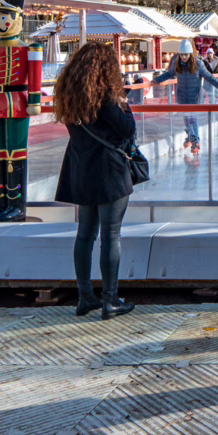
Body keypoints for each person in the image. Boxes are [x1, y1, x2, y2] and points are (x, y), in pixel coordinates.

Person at [53, 42, 137, 319]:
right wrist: (124, 101)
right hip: (109, 171)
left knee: (85, 235)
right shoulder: (105, 96)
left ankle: (85, 295)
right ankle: (110, 299)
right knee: (110, 235)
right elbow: (127, 129)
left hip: (80, 168)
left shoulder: (71, 94)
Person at [154, 40, 218, 160]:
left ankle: (195, 142)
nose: (183, 57)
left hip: (195, 98)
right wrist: (157, 80)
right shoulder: (176, 64)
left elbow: (209, 77)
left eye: (185, 55)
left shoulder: (198, 64)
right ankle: (189, 137)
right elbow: (169, 74)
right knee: (186, 119)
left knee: (192, 119)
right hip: (183, 97)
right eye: (181, 55)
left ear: (190, 54)